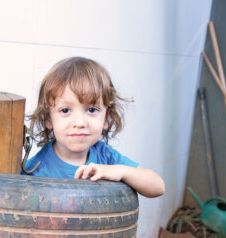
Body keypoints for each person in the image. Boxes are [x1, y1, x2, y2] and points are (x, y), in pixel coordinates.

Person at [23, 57, 165, 198]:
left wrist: (120, 171)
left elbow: (158, 187)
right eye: (65, 110)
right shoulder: (34, 170)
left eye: (91, 110)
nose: (80, 123)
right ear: (48, 119)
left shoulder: (106, 157)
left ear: (106, 118)